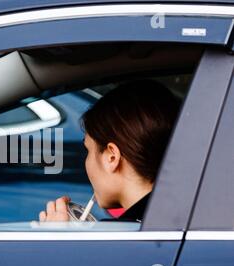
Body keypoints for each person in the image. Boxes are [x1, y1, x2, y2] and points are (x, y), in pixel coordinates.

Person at [39, 80, 180, 222]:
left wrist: (59, 239)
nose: (86, 162)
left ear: (111, 157)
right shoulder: (181, 216)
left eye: (88, 150)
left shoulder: (123, 237)